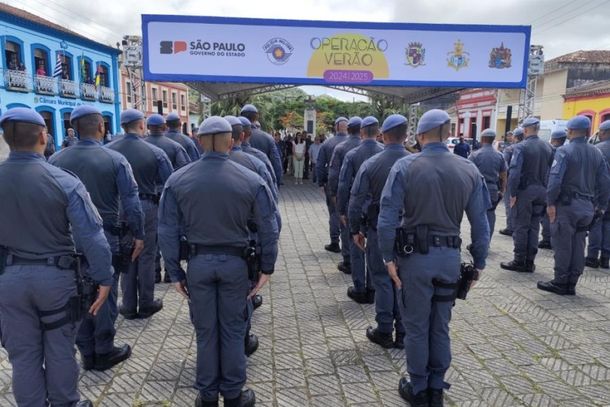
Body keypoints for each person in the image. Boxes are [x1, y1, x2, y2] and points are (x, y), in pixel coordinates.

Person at [158, 116, 279, 407]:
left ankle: (208, 395)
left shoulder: (177, 180)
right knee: (234, 329)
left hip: (198, 264)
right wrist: (267, 267)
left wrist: (174, 272)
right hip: (236, 265)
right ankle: (234, 394)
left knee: (205, 330)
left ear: (199, 141)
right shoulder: (252, 179)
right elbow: (269, 226)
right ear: (230, 140)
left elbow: (166, 230)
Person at [0, 107, 113, 407]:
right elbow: (91, 236)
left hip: (9, 280)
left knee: (23, 355)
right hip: (56, 280)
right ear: (42, 136)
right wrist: (104, 277)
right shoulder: (64, 181)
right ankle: (65, 403)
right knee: (60, 348)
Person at [377, 109, 490, 406]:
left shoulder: (405, 166)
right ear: (448, 132)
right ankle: (437, 386)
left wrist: (387, 257)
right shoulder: (469, 169)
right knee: (440, 324)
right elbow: (481, 222)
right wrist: (479, 263)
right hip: (449, 259)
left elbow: (387, 218)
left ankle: (418, 387)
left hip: (414, 260)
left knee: (416, 325)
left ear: (420, 135)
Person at [49, 105, 144, 371]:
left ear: (74, 128)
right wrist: (139, 235)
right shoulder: (115, 160)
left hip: (70, 242)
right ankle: (104, 349)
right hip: (106, 238)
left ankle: (86, 350)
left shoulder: (55, 159)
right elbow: (131, 202)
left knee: (77, 294)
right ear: (101, 126)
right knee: (106, 291)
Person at [106, 109, 173, 319]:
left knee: (124, 253)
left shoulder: (108, 150)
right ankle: (146, 303)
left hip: (118, 208)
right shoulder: (155, 152)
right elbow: (170, 182)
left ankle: (127, 304)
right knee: (146, 255)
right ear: (142, 125)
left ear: (123, 126)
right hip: (147, 206)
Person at [348, 115, 407, 349]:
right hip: (408, 234)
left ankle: (384, 330)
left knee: (382, 279)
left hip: (376, 229)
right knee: (403, 281)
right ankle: (403, 332)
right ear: (406, 135)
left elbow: (355, 201)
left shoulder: (370, 164)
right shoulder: (416, 161)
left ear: (384, 135)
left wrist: (355, 230)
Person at [538, 116, 610, 295]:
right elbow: (605, 182)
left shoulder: (564, 151)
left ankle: (561, 282)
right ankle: (572, 282)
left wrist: (550, 203)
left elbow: (555, 180)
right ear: (587, 131)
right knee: (579, 244)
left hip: (566, 206)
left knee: (563, 244)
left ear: (570, 131)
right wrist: (601, 206)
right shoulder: (597, 153)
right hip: (587, 207)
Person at [337, 116, 383, 304]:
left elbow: (343, 185)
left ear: (362, 132)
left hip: (356, 207)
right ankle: (373, 287)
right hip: (378, 210)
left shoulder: (352, 155)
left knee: (357, 247)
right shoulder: (384, 153)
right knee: (374, 248)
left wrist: (341, 210)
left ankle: (359, 287)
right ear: (378, 132)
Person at [501, 118, 554, 273]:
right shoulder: (548, 147)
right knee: (534, 226)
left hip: (525, 191)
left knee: (521, 226)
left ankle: (519, 260)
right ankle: (530, 261)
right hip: (541, 191)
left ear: (525, 130)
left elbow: (515, 172)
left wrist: (513, 193)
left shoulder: (521, 147)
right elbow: (552, 172)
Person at [145, 114, 190, 283]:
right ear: (163, 127)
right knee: (171, 234)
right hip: (169, 196)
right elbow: (185, 170)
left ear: (147, 127)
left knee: (151, 238)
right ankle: (171, 273)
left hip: (146, 196)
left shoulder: (142, 146)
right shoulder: (176, 146)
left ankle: (155, 272)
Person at [329, 116, 362, 273]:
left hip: (349, 197)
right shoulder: (379, 148)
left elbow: (336, 177)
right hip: (370, 200)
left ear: (348, 130)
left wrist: (335, 198)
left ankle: (348, 261)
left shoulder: (341, 148)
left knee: (347, 229)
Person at [317, 117, 348, 253]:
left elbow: (320, 165)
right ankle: (349, 242)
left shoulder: (327, 143)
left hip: (332, 183)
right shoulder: (355, 143)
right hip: (351, 184)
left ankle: (335, 242)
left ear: (336, 127)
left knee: (334, 213)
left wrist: (321, 182)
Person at [468, 129, 507, 237]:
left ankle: (478, 242)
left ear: (482, 139)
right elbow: (504, 175)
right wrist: (502, 191)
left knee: (477, 216)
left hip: (478, 188)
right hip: (493, 189)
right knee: (490, 215)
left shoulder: (475, 155)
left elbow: (468, 174)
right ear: (493, 140)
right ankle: (487, 240)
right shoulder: (500, 155)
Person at [240, 104, 283, 186]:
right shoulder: (268, 138)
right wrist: (276, 185)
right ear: (257, 118)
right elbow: (276, 164)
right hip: (262, 184)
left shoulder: (234, 136)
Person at [586, 120, 610, 269]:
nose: (599, 134)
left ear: (606, 132)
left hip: (600, 193)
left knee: (596, 222)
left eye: (601, 131)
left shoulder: (598, 149)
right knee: (608, 225)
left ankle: (592, 257)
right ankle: (606, 258)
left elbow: (595, 175)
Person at [539, 129, 567, 250]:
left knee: (546, 215)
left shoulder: (553, 152)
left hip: (549, 186)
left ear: (554, 139)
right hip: (564, 191)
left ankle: (547, 239)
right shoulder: (566, 151)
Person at [499, 128, 524, 236]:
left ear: (515, 137)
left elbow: (504, 167)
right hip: (526, 182)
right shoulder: (528, 147)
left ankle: (511, 227)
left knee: (510, 204)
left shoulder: (510, 149)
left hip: (512, 180)